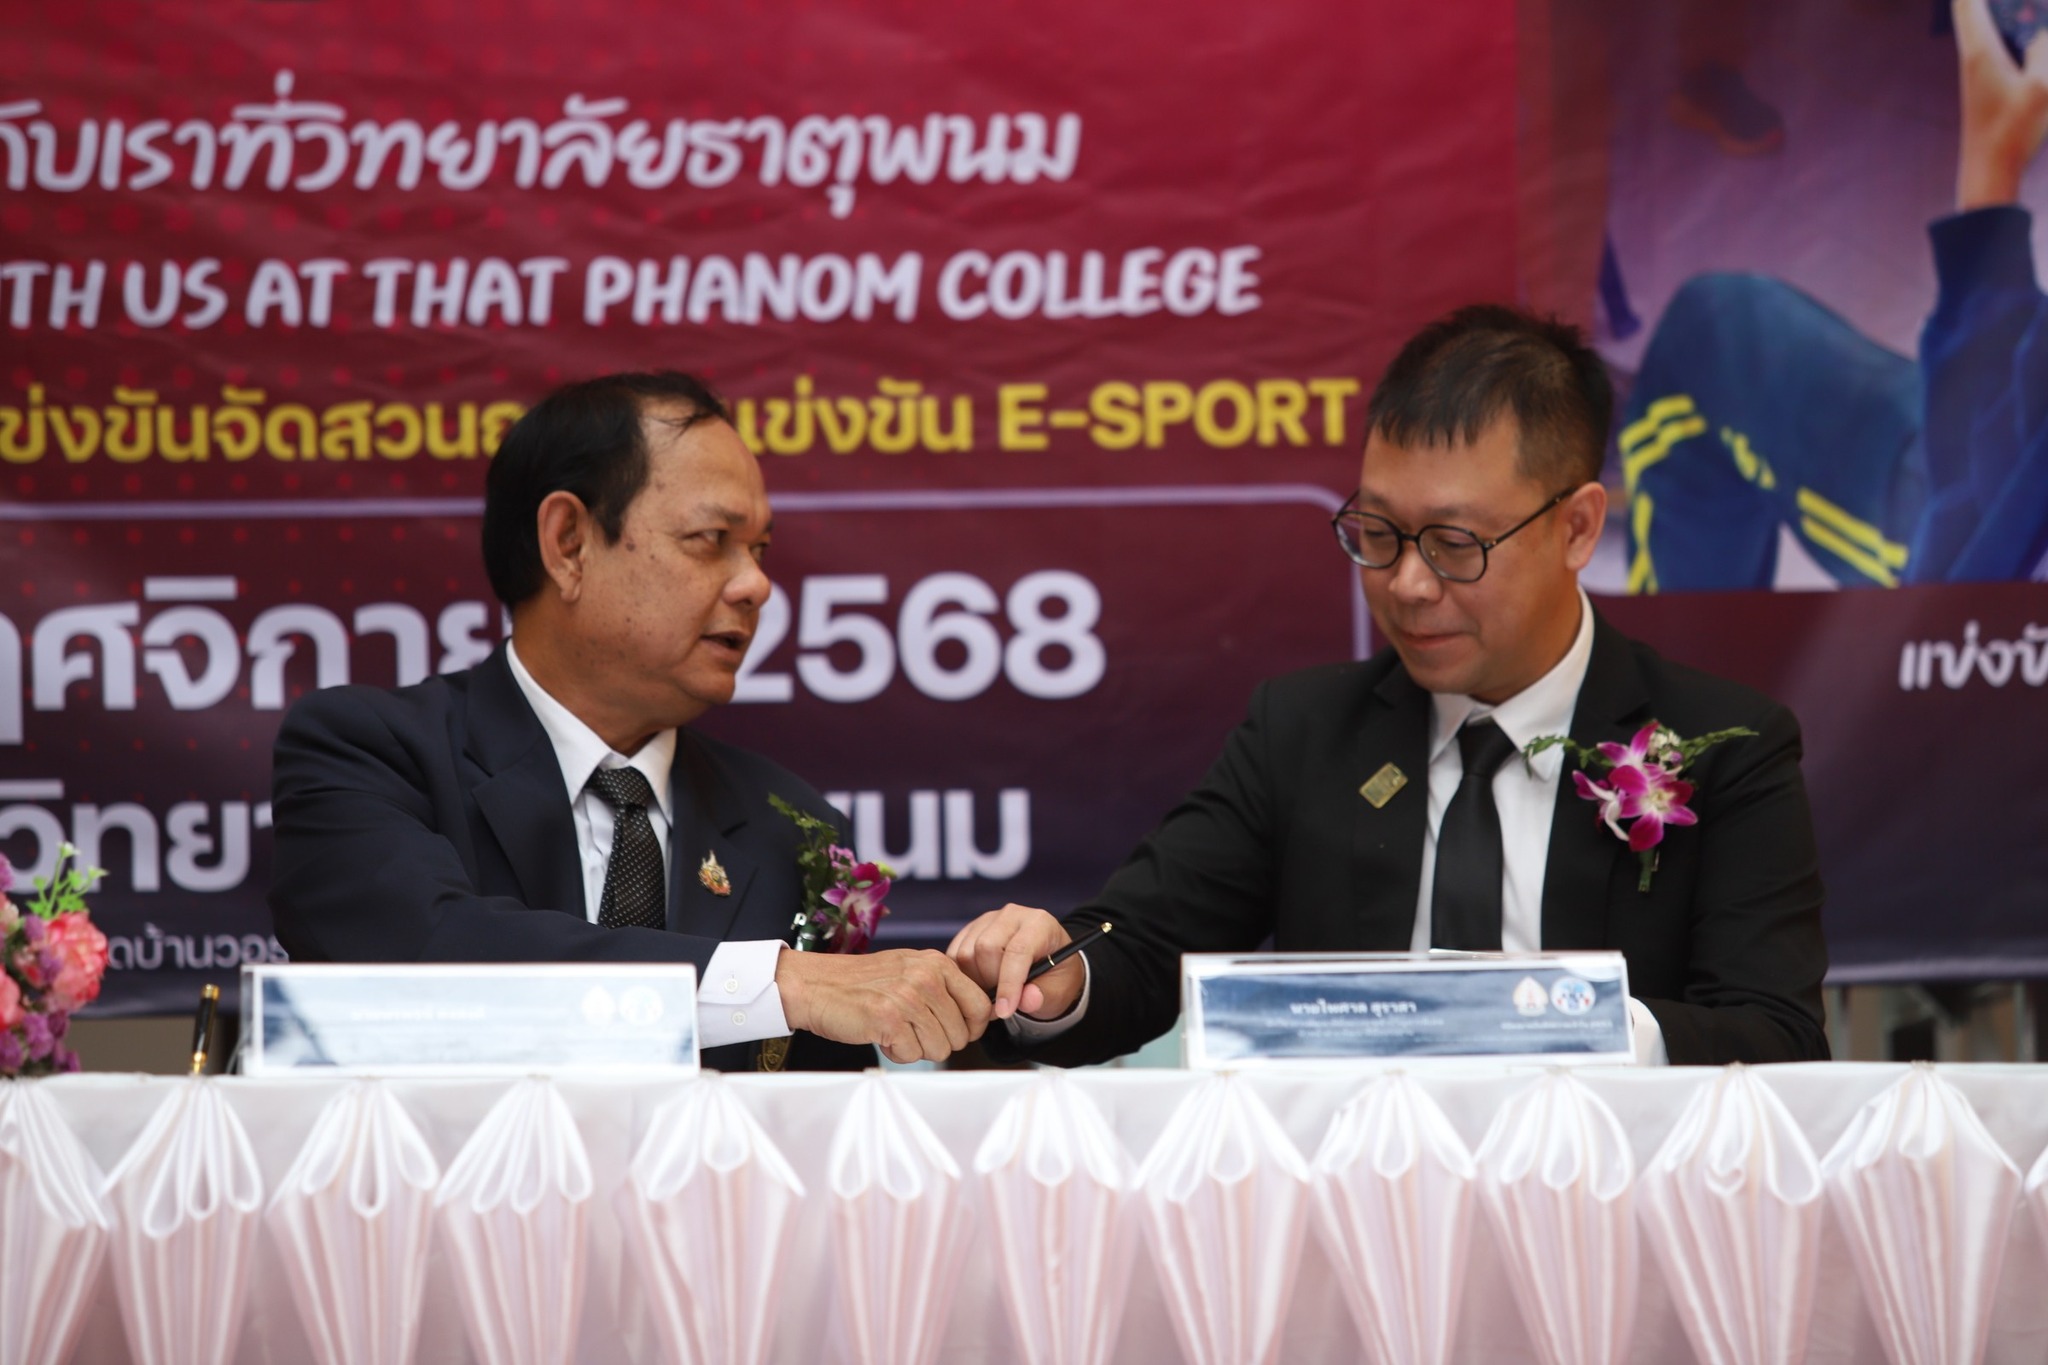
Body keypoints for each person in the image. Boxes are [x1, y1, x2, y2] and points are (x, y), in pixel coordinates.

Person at [953, 306, 1830, 1067]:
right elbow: (1142, 946)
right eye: (1377, 532)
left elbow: (1775, 1037)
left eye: (1454, 544)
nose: (1407, 584)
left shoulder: (1723, 747)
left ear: (1577, 527)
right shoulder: (1304, 732)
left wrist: (1557, 1024)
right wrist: (1057, 974)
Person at [269, 372, 992, 1071]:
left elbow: (818, 1114)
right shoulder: (369, 753)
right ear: (569, 543)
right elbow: (424, 958)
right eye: (711, 538)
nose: (757, 585)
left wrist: (990, 1005)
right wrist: (777, 983)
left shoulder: (790, 827)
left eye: (760, 550)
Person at [1618, 0, 2048, 591]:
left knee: (1703, 342)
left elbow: (1972, 530)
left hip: (1978, 531)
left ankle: (1671, 653)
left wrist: (1991, 172)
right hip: (2007, 461)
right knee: (1715, 332)